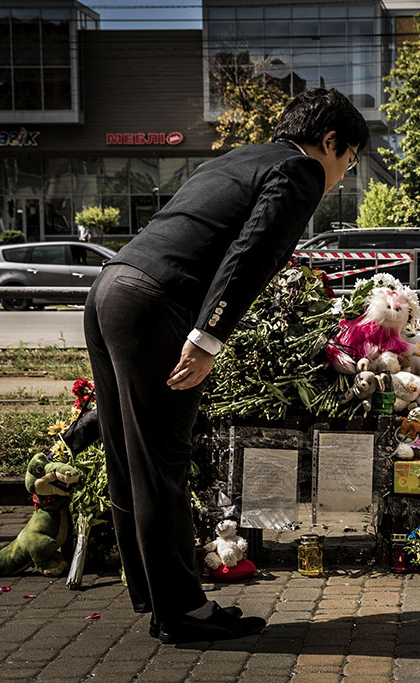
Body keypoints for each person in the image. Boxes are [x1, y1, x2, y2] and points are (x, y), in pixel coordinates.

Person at [83, 89, 368, 644]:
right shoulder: (302, 170)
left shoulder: (238, 159)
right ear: (329, 141)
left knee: (129, 457)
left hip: (112, 288)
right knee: (161, 462)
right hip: (156, 303)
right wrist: (208, 336)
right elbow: (253, 253)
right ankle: (183, 611)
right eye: (350, 159)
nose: (343, 175)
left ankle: (157, 596)